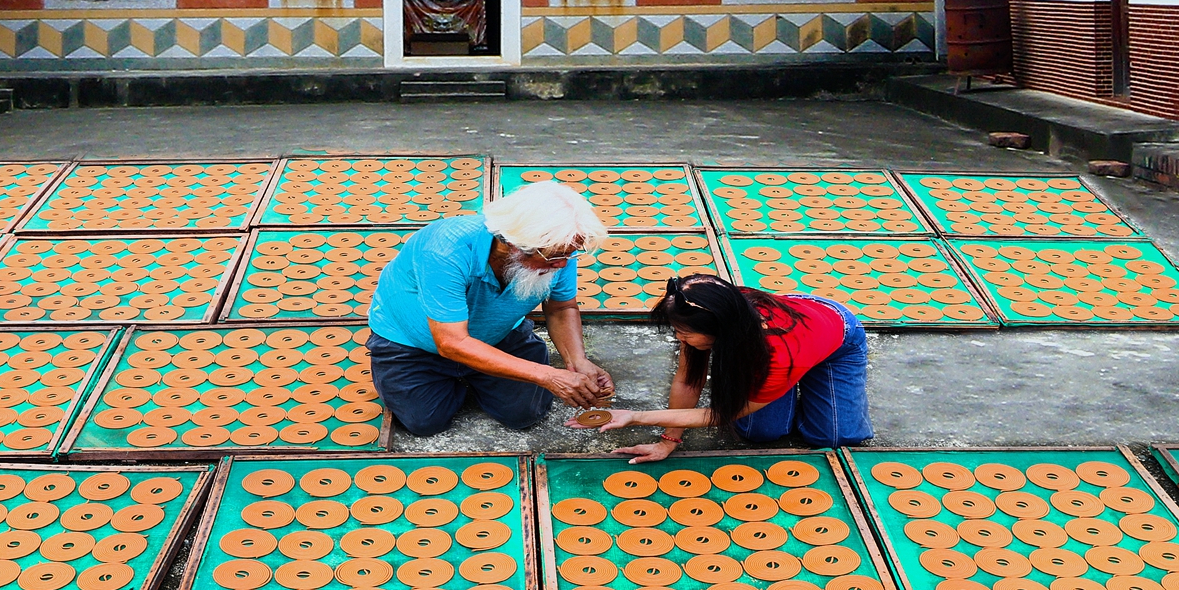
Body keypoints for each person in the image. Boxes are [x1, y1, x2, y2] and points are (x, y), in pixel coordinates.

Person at [367, 180, 612, 436]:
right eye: (554, 256)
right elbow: (451, 343)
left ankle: (484, 371)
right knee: (425, 422)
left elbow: (561, 309)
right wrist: (547, 375)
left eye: (571, 253)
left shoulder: (558, 251)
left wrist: (577, 361)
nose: (563, 264)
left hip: (499, 336)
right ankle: (462, 376)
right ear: (514, 245)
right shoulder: (444, 251)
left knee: (525, 415)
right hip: (414, 345)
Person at [569, 272, 870, 461]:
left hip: (835, 339)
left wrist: (636, 417)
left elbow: (725, 414)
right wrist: (668, 441)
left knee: (832, 437)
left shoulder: (778, 352)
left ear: (720, 331)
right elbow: (688, 381)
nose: (678, 338)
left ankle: (796, 384)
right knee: (760, 432)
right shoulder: (702, 311)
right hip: (785, 343)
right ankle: (785, 389)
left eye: (684, 334)